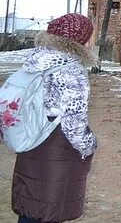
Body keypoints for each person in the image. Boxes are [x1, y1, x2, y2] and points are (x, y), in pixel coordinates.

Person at [12, 13, 98, 223]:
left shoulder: (35, 61)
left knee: (30, 207)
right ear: (81, 39)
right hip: (55, 152)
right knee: (48, 210)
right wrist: (90, 146)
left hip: (30, 142)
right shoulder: (71, 71)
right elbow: (75, 126)